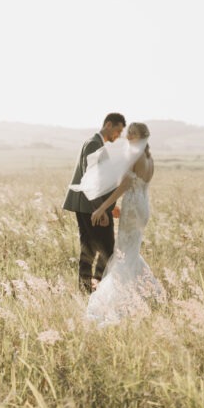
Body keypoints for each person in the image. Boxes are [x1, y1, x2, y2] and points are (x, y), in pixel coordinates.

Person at [83, 122, 166, 327]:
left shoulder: (135, 156)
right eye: (128, 133)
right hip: (143, 207)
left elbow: (125, 186)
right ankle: (148, 292)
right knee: (131, 251)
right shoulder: (149, 158)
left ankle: (120, 300)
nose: (129, 137)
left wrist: (103, 208)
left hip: (132, 205)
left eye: (133, 134)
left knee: (123, 254)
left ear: (143, 136)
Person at [63, 113, 126, 293]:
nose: (118, 135)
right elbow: (90, 180)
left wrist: (110, 206)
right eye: (118, 130)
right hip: (91, 207)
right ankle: (97, 287)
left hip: (90, 206)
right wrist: (101, 210)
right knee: (107, 249)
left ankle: (86, 288)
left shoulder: (96, 144)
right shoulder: (93, 144)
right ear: (108, 125)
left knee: (89, 246)